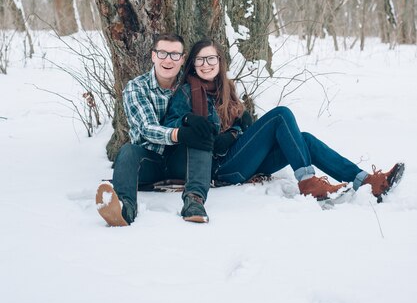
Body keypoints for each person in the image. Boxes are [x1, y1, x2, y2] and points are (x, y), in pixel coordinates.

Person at [163, 38, 405, 223]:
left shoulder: (225, 89)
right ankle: (308, 182)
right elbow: (173, 124)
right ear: (193, 65)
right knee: (281, 114)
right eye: (200, 60)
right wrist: (189, 122)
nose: (206, 65)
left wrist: (235, 133)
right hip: (219, 167)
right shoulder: (187, 92)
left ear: (220, 61)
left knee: (305, 140)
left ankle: (365, 181)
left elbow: (242, 122)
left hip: (241, 158)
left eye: (211, 59)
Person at [95, 33, 216, 226]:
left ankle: (194, 202)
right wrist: (179, 133)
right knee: (127, 151)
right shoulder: (137, 87)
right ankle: (125, 207)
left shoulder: (190, 87)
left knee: (199, 138)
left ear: (183, 59)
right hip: (148, 160)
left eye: (175, 55)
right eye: (162, 53)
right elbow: (146, 128)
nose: (168, 60)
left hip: (179, 160)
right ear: (153, 56)